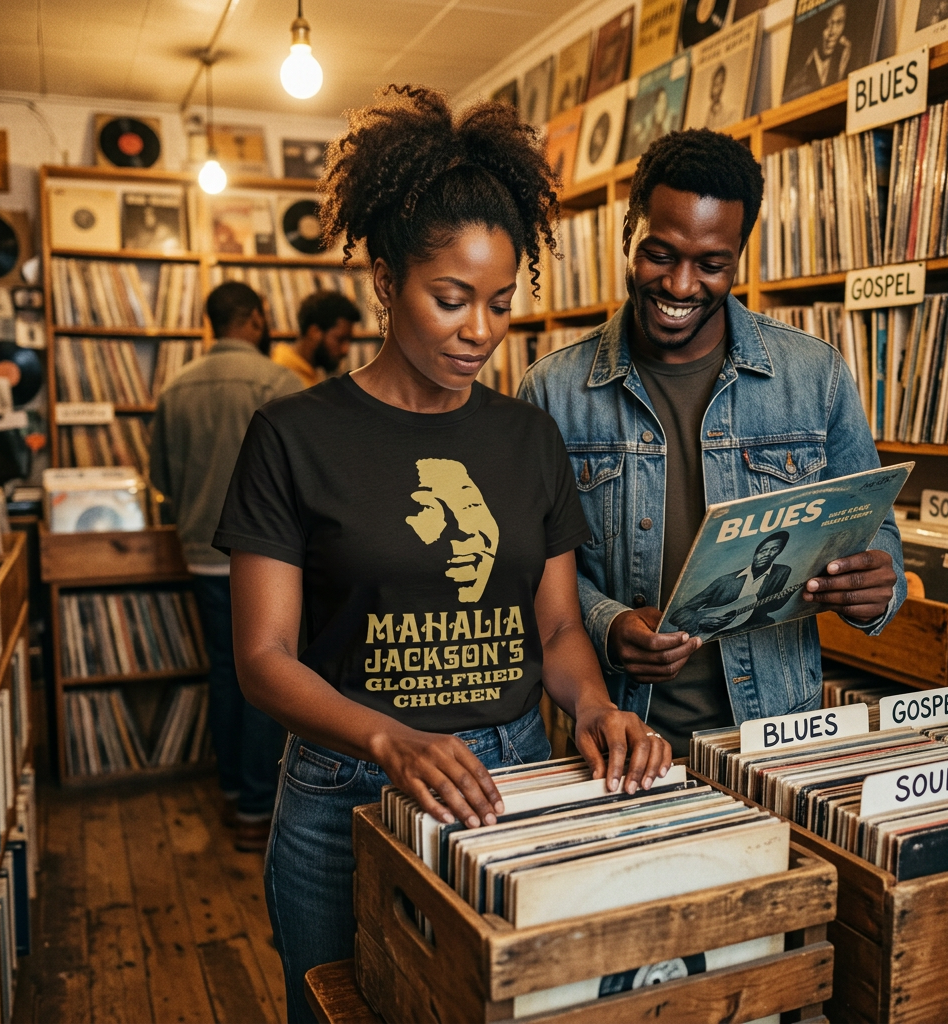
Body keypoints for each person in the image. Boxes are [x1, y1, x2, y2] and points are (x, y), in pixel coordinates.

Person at [212, 85, 672, 1023]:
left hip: (511, 776)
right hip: (346, 789)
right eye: (451, 299)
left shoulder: (526, 438)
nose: (480, 332)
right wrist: (384, 737)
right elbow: (261, 660)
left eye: (501, 303)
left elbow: (553, 624)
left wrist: (591, 705)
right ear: (385, 281)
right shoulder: (293, 434)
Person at [519, 128, 905, 758]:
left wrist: (875, 590)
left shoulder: (816, 376)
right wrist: (607, 623)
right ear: (628, 237)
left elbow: (876, 534)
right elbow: (532, 572)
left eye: (711, 264)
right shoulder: (552, 392)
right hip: (617, 736)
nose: (680, 285)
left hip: (776, 740)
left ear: (738, 258)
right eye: (660, 254)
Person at [149, 280, 302, 850]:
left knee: (225, 672)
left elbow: (160, 480)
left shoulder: (175, 388)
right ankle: (260, 808)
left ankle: (234, 791)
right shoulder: (279, 382)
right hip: (272, 559)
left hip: (198, 554)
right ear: (258, 318)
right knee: (271, 673)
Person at [668, 531, 793, 637]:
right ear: (755, 553)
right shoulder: (724, 581)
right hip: (716, 634)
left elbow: (770, 607)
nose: (767, 554)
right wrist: (701, 621)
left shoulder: (782, 572)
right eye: (763, 550)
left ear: (779, 552)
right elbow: (678, 614)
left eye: (774, 549)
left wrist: (786, 597)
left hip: (757, 633)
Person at [272, 290, 361, 387]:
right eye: (340, 339)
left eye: (349, 341)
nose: (345, 350)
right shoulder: (282, 380)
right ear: (314, 332)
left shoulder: (310, 373)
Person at [783, 3, 851, 102]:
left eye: (839, 23)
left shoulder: (844, 58)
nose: (832, 32)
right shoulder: (801, 72)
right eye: (828, 24)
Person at [703, 65, 727, 130]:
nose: (714, 90)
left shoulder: (728, 113)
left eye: (717, 85)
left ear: (722, 86)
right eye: (713, 85)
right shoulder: (709, 113)